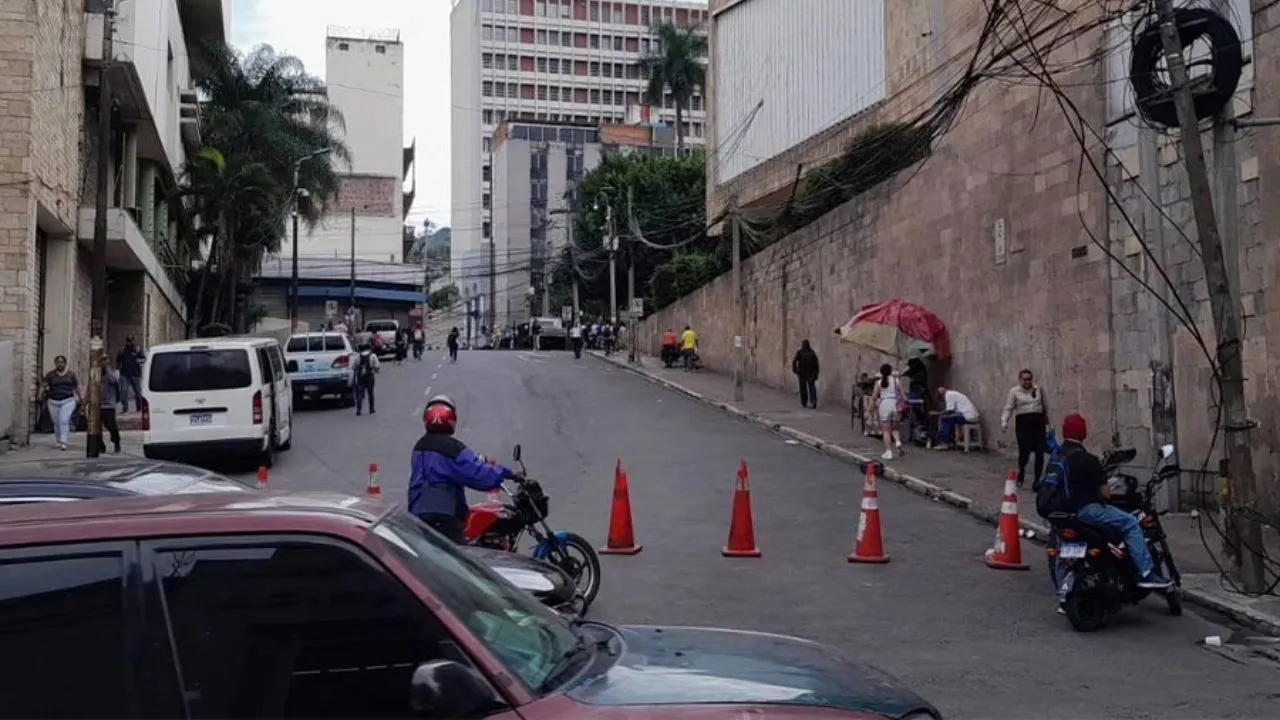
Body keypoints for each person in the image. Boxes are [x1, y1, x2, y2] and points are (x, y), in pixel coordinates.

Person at [1057, 413, 1173, 590]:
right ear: (1083, 432)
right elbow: (1105, 493)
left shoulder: (1057, 456)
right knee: (1131, 523)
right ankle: (1146, 572)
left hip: (1063, 511)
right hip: (1086, 510)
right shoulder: (1087, 459)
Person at [408, 395, 521, 543]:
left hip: (418, 512)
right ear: (451, 418)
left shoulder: (420, 446)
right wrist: (506, 473)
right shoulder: (453, 448)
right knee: (461, 561)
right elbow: (478, 474)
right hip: (443, 514)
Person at [1002, 368, 1049, 488]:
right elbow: (1009, 407)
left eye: (1029, 379)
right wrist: (1004, 422)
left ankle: (1037, 480)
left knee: (1040, 452)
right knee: (1024, 452)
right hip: (1023, 422)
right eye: (1025, 380)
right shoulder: (1014, 391)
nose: (1027, 382)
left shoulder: (1038, 389)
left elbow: (1045, 406)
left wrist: (1048, 422)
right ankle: (1021, 471)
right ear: (1020, 380)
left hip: (1038, 421)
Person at [40, 355, 82, 451]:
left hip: (68, 400)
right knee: (56, 422)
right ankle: (58, 440)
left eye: (61, 362)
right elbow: (44, 385)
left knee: (63, 420)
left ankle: (64, 441)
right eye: (58, 362)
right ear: (55, 363)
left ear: (65, 363)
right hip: (53, 401)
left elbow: (76, 387)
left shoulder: (71, 375)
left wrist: (80, 397)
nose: (60, 364)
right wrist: (40, 394)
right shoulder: (50, 375)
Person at [870, 363, 906, 460]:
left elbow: (874, 396)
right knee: (895, 428)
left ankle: (888, 451)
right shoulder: (896, 381)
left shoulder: (879, 383)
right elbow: (902, 394)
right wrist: (905, 402)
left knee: (886, 430)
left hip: (885, 405)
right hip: (895, 404)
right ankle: (898, 442)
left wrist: (872, 406)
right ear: (891, 371)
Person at [96, 355, 123, 454]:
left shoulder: (113, 373)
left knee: (111, 425)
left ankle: (116, 441)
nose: (103, 363)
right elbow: (90, 386)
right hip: (97, 404)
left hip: (109, 404)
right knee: (96, 426)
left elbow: (114, 380)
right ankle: (100, 445)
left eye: (105, 361)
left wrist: (107, 369)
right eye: (101, 361)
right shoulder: (95, 373)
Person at [116, 334, 146, 412]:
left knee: (138, 392)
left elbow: (143, 359)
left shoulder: (137, 350)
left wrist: (137, 361)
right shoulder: (122, 350)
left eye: (131, 341)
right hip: (124, 374)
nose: (130, 343)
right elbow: (118, 361)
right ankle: (125, 407)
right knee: (124, 391)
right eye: (128, 341)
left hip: (135, 374)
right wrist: (118, 370)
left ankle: (139, 407)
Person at [791, 340, 820, 409]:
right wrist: (795, 370)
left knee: (810, 388)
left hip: (808, 373)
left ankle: (812, 402)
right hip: (803, 373)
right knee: (804, 388)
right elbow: (794, 361)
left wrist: (815, 374)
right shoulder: (802, 353)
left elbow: (816, 365)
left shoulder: (810, 353)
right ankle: (806, 402)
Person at [353, 341, 380, 415]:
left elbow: (353, 367)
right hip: (370, 376)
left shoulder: (358, 356)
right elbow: (377, 366)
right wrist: (375, 370)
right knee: (370, 393)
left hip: (360, 376)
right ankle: (371, 409)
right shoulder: (373, 356)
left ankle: (359, 410)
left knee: (360, 393)